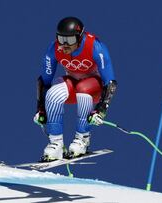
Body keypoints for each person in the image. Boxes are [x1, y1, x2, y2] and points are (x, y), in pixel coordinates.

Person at [33, 16, 117, 161]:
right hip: (74, 84)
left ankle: (82, 139)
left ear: (79, 38)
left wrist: (101, 109)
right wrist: (41, 109)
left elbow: (110, 82)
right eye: (61, 39)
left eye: (70, 40)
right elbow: (44, 81)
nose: (64, 45)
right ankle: (56, 144)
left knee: (83, 88)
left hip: (94, 88)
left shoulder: (95, 46)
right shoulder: (54, 49)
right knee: (53, 94)